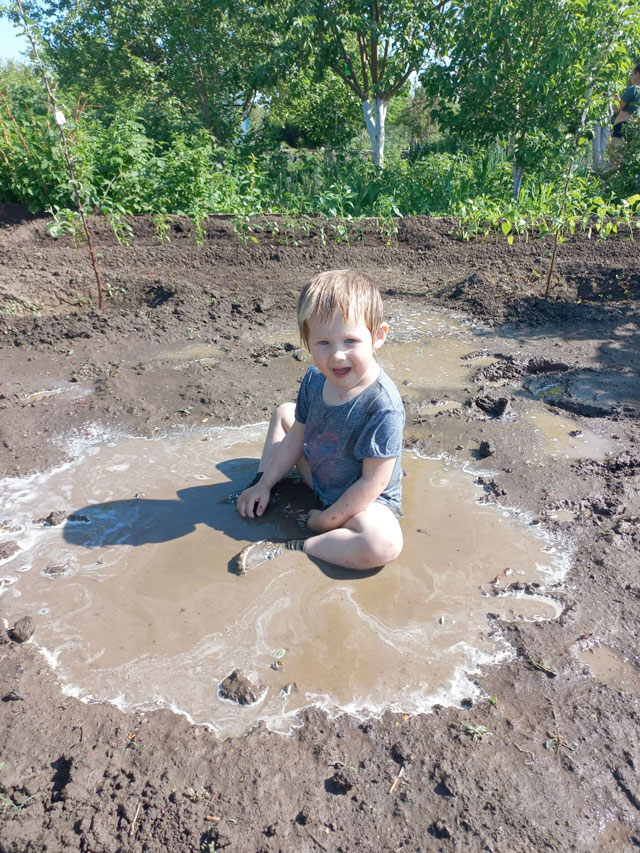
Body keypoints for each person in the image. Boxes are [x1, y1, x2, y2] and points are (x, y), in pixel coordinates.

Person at [234, 269, 405, 574]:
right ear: (307, 341)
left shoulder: (382, 405)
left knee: (383, 544)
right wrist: (265, 482)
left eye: (350, 340)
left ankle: (299, 545)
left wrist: (324, 521)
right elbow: (298, 433)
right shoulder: (314, 379)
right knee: (285, 414)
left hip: (361, 502)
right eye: (324, 342)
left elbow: (372, 482)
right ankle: (263, 488)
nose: (337, 356)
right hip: (321, 476)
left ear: (378, 336)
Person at [612, 64, 640, 143]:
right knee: (626, 153)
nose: (631, 77)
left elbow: (617, 109)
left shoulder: (634, 89)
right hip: (634, 128)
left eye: (632, 74)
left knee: (616, 153)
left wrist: (616, 100)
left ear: (637, 74)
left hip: (622, 125)